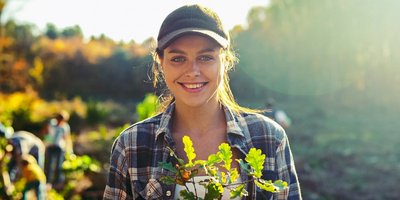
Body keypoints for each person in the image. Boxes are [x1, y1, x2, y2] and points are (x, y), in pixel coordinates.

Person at [104, 4, 301, 200]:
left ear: (226, 60)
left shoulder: (269, 138)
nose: (193, 71)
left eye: (206, 57)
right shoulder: (132, 144)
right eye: (178, 59)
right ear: (161, 63)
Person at [43, 110, 73, 187]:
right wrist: (45, 142)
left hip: (59, 147)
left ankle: (57, 182)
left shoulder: (65, 127)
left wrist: (69, 149)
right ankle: (48, 182)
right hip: (50, 146)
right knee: (48, 165)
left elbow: (67, 138)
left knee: (58, 165)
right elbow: (46, 133)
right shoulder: (51, 123)